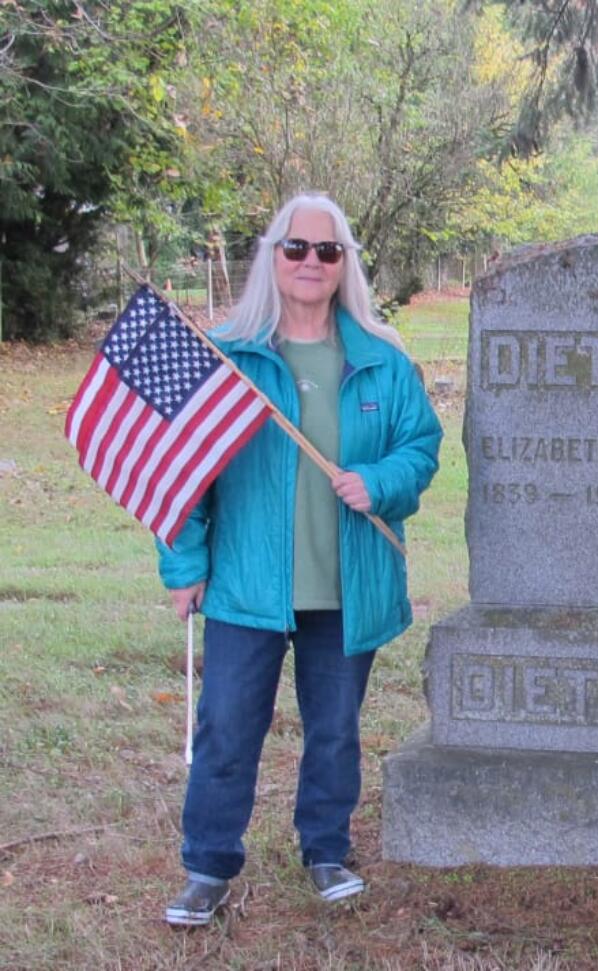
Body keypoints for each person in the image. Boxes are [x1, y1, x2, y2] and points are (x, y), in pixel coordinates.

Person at [158, 193, 443, 926]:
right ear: (272, 258)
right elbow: (182, 470)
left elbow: (421, 446)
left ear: (344, 262)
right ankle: (207, 864)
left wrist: (379, 482)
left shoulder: (381, 359)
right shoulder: (230, 357)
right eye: (296, 248)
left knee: (335, 727)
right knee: (225, 725)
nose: (311, 261)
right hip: (246, 585)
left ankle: (326, 848)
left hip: (345, 586)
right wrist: (184, 562)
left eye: (327, 250)